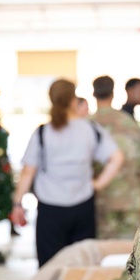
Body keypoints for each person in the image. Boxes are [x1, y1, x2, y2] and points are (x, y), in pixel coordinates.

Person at [11, 79, 124, 267]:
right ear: (73, 100)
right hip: (83, 204)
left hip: (50, 208)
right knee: (82, 265)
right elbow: (117, 157)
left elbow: (28, 172)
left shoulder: (42, 133)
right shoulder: (90, 129)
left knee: (50, 268)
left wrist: (17, 204)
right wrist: (98, 184)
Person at [91, 75, 140, 240]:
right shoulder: (129, 123)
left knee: (103, 250)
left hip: (100, 200)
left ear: (94, 94)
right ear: (113, 94)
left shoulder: (88, 125)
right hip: (130, 198)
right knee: (129, 248)